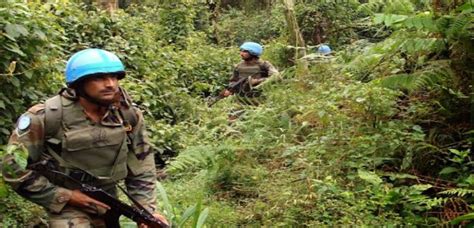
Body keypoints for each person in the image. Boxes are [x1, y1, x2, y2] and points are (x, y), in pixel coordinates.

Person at [2, 48, 168, 227]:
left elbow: (142, 166)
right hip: (67, 203)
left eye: (114, 77)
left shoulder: (127, 115)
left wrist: (147, 211)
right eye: (99, 78)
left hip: (108, 200)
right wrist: (65, 196)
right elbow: (12, 169)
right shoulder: (44, 117)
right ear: (78, 84)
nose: (110, 84)